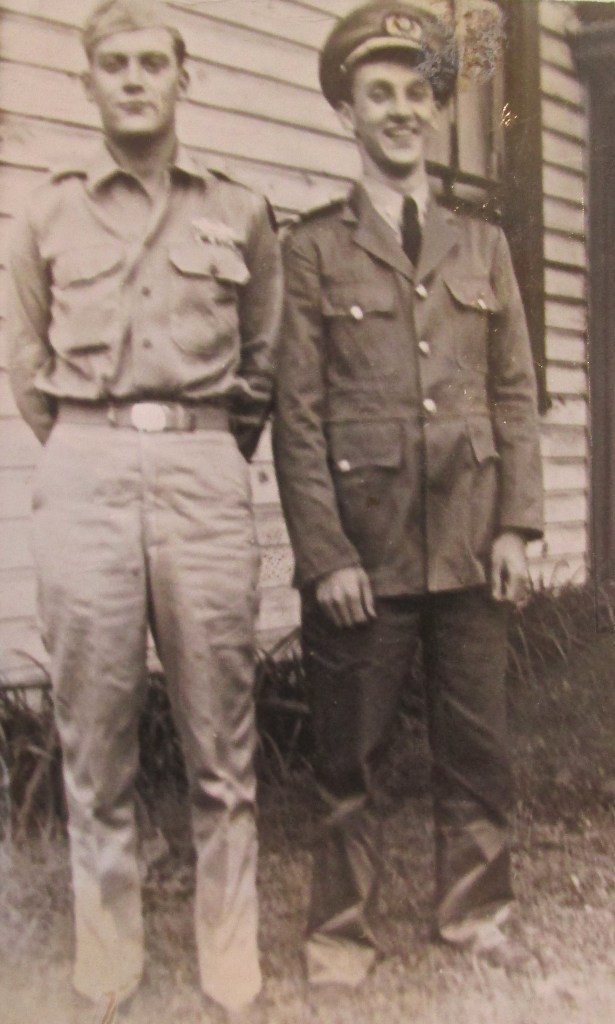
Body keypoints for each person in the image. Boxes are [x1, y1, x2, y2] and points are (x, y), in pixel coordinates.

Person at [7, 1, 282, 1019]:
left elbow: (262, 361)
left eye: (152, 62)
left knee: (222, 734)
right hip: (84, 463)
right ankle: (109, 959)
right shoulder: (47, 212)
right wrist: (97, 445)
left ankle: (229, 959)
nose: (134, 78)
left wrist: (199, 449)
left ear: (182, 78)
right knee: (94, 736)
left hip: (204, 466)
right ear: (86, 82)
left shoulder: (239, 208)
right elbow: (28, 363)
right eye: (114, 63)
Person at [273, 0, 543, 990]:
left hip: (470, 536)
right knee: (349, 755)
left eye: (417, 93)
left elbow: (513, 393)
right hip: (365, 545)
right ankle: (340, 933)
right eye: (378, 92)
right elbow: (297, 415)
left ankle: (475, 913)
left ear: (435, 109)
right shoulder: (312, 250)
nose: (400, 109)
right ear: (346, 111)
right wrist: (325, 554)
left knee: (477, 745)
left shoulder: (483, 246)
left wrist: (517, 523)